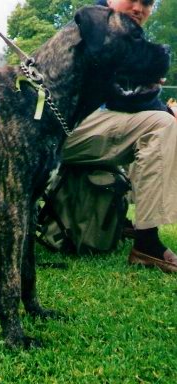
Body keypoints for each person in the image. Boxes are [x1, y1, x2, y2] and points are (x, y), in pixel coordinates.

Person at [62, 0, 177, 272]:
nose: (139, 7)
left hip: (79, 126)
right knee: (159, 126)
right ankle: (147, 242)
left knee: (155, 124)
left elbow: (129, 98)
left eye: (147, 2)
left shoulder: (116, 29)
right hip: (58, 131)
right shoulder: (97, 27)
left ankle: (116, 216)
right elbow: (124, 101)